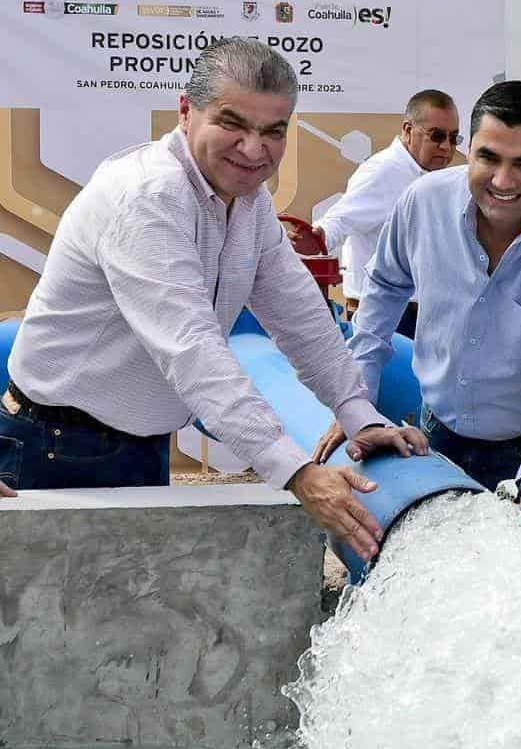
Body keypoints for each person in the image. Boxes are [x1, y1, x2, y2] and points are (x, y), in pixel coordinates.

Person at [0, 39, 427, 563]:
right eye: (233, 124)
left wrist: (361, 417)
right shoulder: (147, 199)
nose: (254, 149)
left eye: (273, 132)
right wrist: (297, 472)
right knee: (48, 630)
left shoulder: (248, 200)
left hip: (138, 443)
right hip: (54, 446)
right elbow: (191, 349)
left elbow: (301, 316)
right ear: (186, 111)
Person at [314, 81, 521, 533]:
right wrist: (356, 401)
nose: (502, 181)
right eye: (488, 157)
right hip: (440, 433)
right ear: (468, 149)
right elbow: (380, 297)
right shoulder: (422, 203)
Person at [311, 89, 461, 338]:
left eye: (453, 138)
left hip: (420, 316)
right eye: (436, 136)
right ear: (407, 130)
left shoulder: (431, 177)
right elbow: (338, 220)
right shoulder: (384, 172)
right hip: (385, 317)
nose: (446, 147)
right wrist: (316, 238)